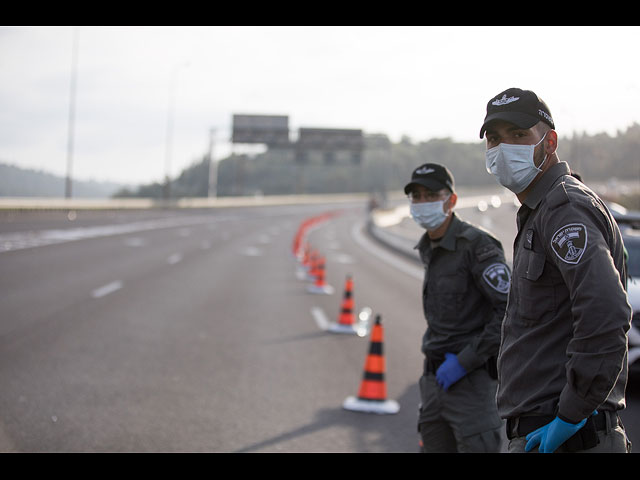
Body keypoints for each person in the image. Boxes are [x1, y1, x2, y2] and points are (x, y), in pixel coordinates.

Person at [480, 87, 632, 453]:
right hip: (547, 431)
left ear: (549, 142)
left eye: (519, 136)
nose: (504, 148)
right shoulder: (542, 209)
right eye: (495, 139)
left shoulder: (564, 209)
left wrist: (571, 414)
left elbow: (606, 314)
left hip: (569, 437)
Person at [406, 163, 510, 453]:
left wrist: (465, 361)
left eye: (430, 195)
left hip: (471, 386)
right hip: (434, 382)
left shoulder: (477, 245)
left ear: (451, 200)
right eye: (416, 197)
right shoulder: (429, 245)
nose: (422, 203)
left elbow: (508, 311)